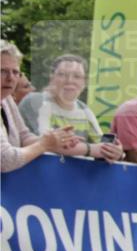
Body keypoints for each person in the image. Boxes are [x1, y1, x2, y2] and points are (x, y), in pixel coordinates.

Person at [19, 54, 124, 162]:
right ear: (52, 77)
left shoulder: (85, 110)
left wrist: (116, 152)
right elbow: (46, 145)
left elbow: (101, 146)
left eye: (77, 76)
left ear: (85, 82)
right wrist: (90, 149)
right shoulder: (35, 101)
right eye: (62, 74)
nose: (69, 80)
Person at [1, 41, 79, 172]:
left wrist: (55, 139)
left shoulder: (6, 99)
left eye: (15, 72)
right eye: (2, 71)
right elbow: (5, 160)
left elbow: (24, 136)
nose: (10, 78)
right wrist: (44, 144)